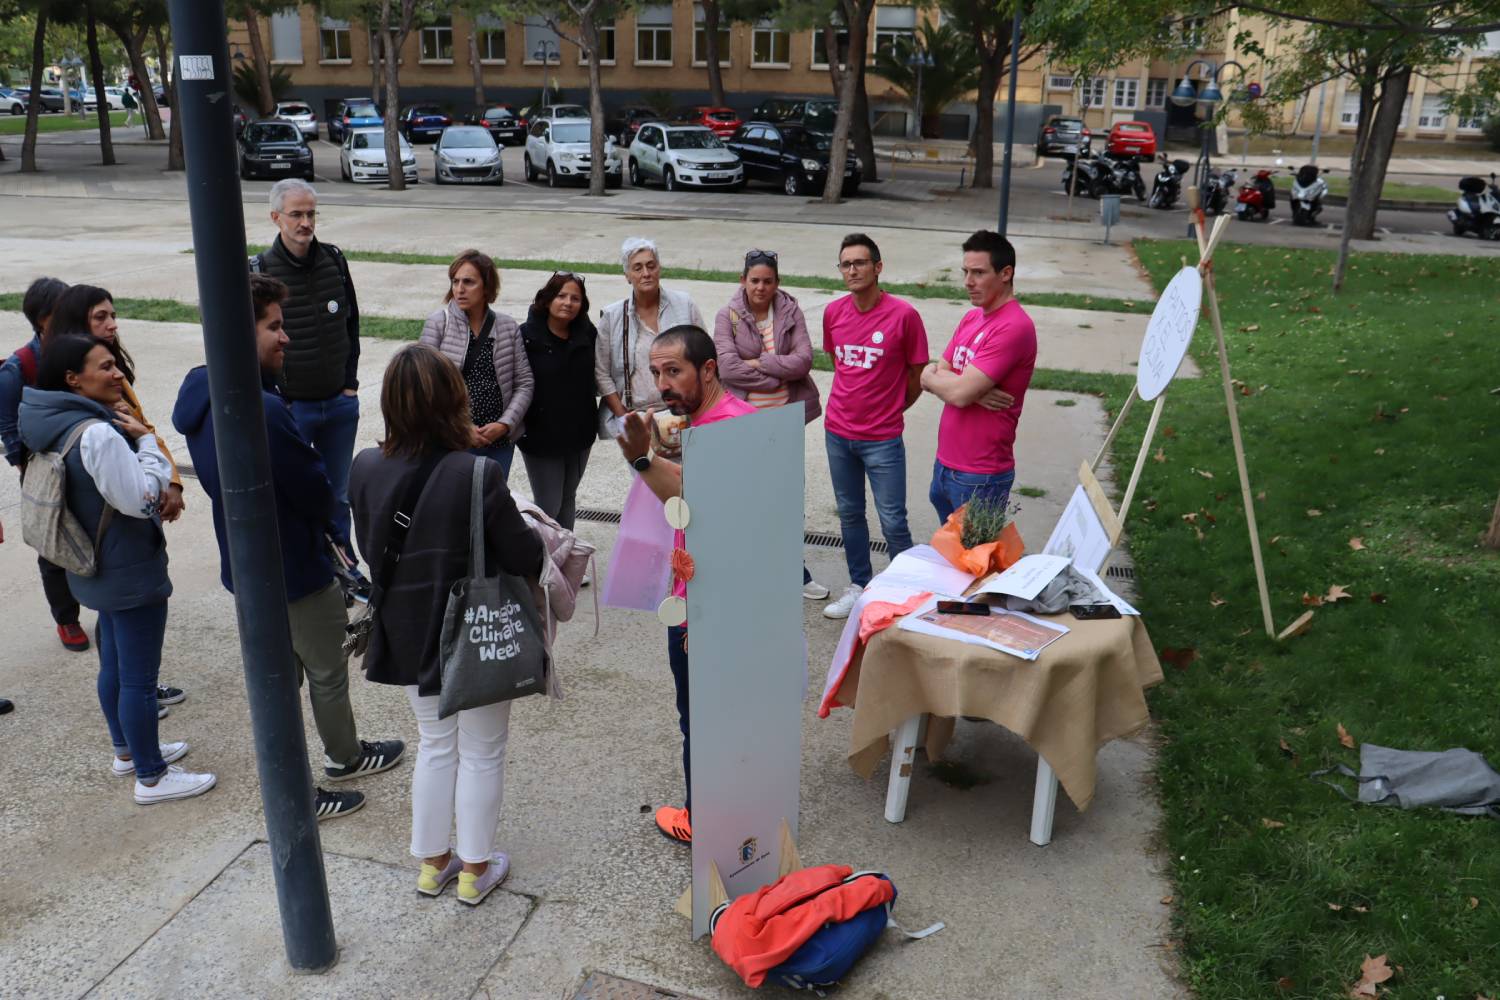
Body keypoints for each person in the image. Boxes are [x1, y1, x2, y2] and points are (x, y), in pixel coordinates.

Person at [173, 275, 404, 820]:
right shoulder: (264, 410)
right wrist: (334, 530)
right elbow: (314, 488)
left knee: (277, 680)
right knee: (324, 670)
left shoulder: (200, 392)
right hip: (296, 568)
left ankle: (297, 781)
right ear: (239, 332)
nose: (286, 337)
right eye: (274, 327)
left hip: (248, 566)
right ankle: (337, 764)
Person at [349, 345, 544, 905]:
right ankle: (475, 870)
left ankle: (433, 864)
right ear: (454, 400)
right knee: (482, 751)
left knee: (435, 744)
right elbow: (524, 554)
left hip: (406, 627)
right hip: (472, 631)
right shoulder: (477, 473)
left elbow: (368, 546)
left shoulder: (364, 466)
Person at [19, 335, 215, 804]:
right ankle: (152, 776)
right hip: (128, 569)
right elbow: (142, 500)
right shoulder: (99, 434)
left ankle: (127, 751)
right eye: (106, 367)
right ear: (73, 379)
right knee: (139, 680)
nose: (118, 374)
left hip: (92, 564)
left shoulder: (51, 420)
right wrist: (145, 441)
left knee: (115, 665)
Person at [614, 324, 756, 845]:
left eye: (674, 371)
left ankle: (702, 820)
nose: (662, 384)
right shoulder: (735, 418)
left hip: (704, 607)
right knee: (728, 715)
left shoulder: (722, 431)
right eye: (656, 372)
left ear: (709, 369)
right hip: (728, 597)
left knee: (698, 717)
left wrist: (641, 458)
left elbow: (691, 496)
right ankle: (743, 807)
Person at [51, 284, 187, 712]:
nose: (112, 324)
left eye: (113, 315)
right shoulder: (90, 414)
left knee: (117, 646)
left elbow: (144, 425)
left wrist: (173, 482)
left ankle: (129, 727)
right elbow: (136, 497)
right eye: (100, 317)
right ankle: (141, 734)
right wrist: (155, 477)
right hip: (118, 532)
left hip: (123, 521)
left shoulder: (107, 377)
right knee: (130, 666)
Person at [251, 178, 366, 590]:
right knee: (297, 493)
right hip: (292, 409)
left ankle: (345, 569)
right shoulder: (259, 270)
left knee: (338, 494)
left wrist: (350, 383)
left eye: (311, 213)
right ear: (276, 217)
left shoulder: (334, 259)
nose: (305, 222)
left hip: (338, 403)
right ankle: (311, 569)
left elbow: (352, 322)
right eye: (296, 214)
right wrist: (275, 400)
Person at [820, 233, 930, 620]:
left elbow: (917, 373)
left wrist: (895, 407)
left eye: (860, 263)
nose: (852, 270)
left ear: (878, 267)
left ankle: (906, 593)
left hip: (882, 439)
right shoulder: (833, 313)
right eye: (845, 264)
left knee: (893, 520)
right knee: (850, 514)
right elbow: (839, 363)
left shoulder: (904, 316)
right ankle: (859, 585)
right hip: (838, 434)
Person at [712, 249, 829, 601]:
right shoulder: (727, 315)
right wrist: (777, 372)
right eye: (754, 281)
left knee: (787, 501)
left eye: (767, 281)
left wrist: (758, 362)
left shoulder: (791, 312)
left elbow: (804, 361)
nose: (760, 287)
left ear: (777, 282)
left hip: (784, 423)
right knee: (745, 501)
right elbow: (727, 368)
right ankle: (747, 568)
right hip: (742, 424)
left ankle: (795, 572)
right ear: (742, 281)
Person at [921, 231, 1037, 523]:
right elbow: (935, 373)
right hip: (946, 464)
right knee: (949, 552)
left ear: (1005, 273)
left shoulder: (1014, 327)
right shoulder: (972, 317)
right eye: (965, 272)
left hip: (980, 476)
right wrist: (964, 387)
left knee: (976, 555)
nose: (968, 282)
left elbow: (954, 391)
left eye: (979, 273)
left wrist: (957, 387)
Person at [1, 277, 90, 652]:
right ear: (42, 319)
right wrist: (26, 468)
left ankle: (106, 600)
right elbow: (8, 427)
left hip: (86, 459)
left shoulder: (84, 351)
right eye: (63, 311)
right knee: (53, 543)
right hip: (45, 469)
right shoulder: (18, 367)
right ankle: (67, 619)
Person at [419, 250, 533, 482]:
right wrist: (460, 427)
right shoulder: (438, 323)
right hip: (452, 439)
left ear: (487, 286)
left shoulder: (507, 326)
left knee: (490, 499)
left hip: (498, 441)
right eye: (455, 281)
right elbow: (423, 387)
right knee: (453, 500)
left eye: (469, 282)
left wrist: (505, 424)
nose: (460, 289)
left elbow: (524, 383)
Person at [517, 272, 598, 530]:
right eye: (561, 296)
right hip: (541, 436)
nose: (568, 303)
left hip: (579, 434)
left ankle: (566, 552)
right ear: (548, 299)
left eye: (575, 298)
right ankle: (541, 553)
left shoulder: (587, 333)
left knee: (568, 498)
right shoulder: (525, 335)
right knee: (548, 505)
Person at [596, 237, 705, 425]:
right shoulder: (611, 316)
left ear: (659, 269)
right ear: (627, 275)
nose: (646, 273)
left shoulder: (684, 304)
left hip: (683, 414)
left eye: (651, 266)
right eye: (637, 268)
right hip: (634, 416)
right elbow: (601, 372)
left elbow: (704, 357)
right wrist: (624, 418)